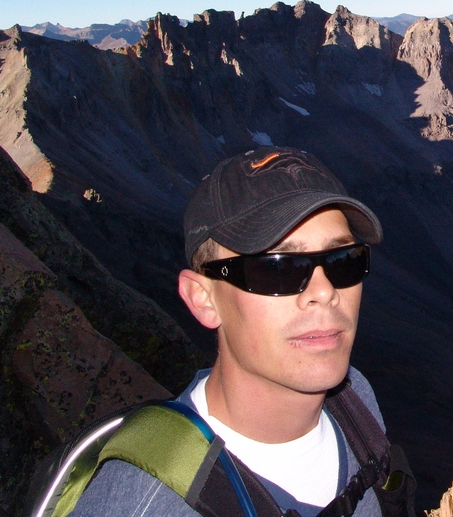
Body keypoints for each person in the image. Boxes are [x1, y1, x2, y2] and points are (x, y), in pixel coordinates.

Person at [68, 147, 406, 517]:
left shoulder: (355, 402)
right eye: (277, 269)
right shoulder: (146, 505)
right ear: (203, 299)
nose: (324, 292)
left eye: (344, 261)